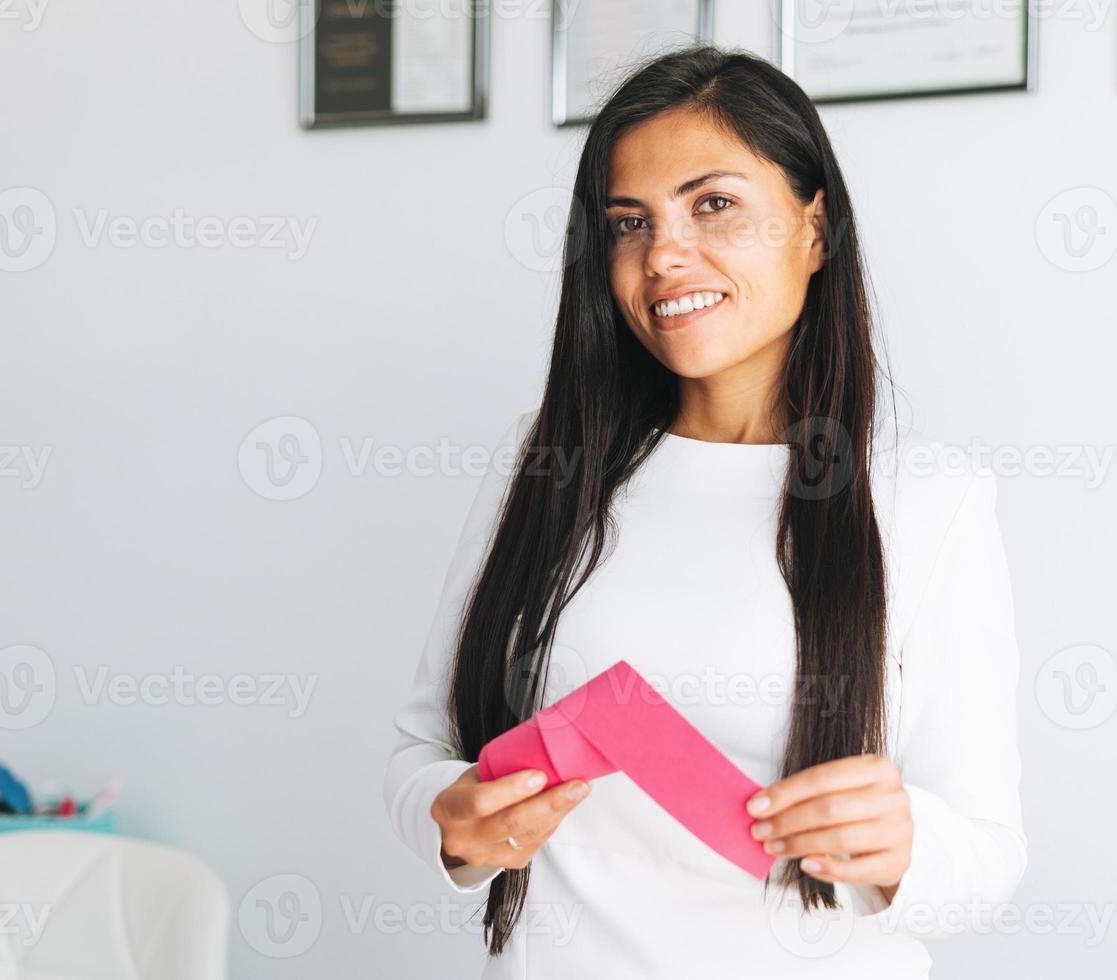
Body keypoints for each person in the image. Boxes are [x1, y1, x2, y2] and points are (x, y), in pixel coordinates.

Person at [383, 45, 1025, 978]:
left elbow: (988, 862)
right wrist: (450, 819)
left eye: (713, 204)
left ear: (815, 228)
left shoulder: (928, 500)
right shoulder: (546, 465)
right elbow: (421, 751)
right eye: (627, 223)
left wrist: (905, 841)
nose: (663, 255)